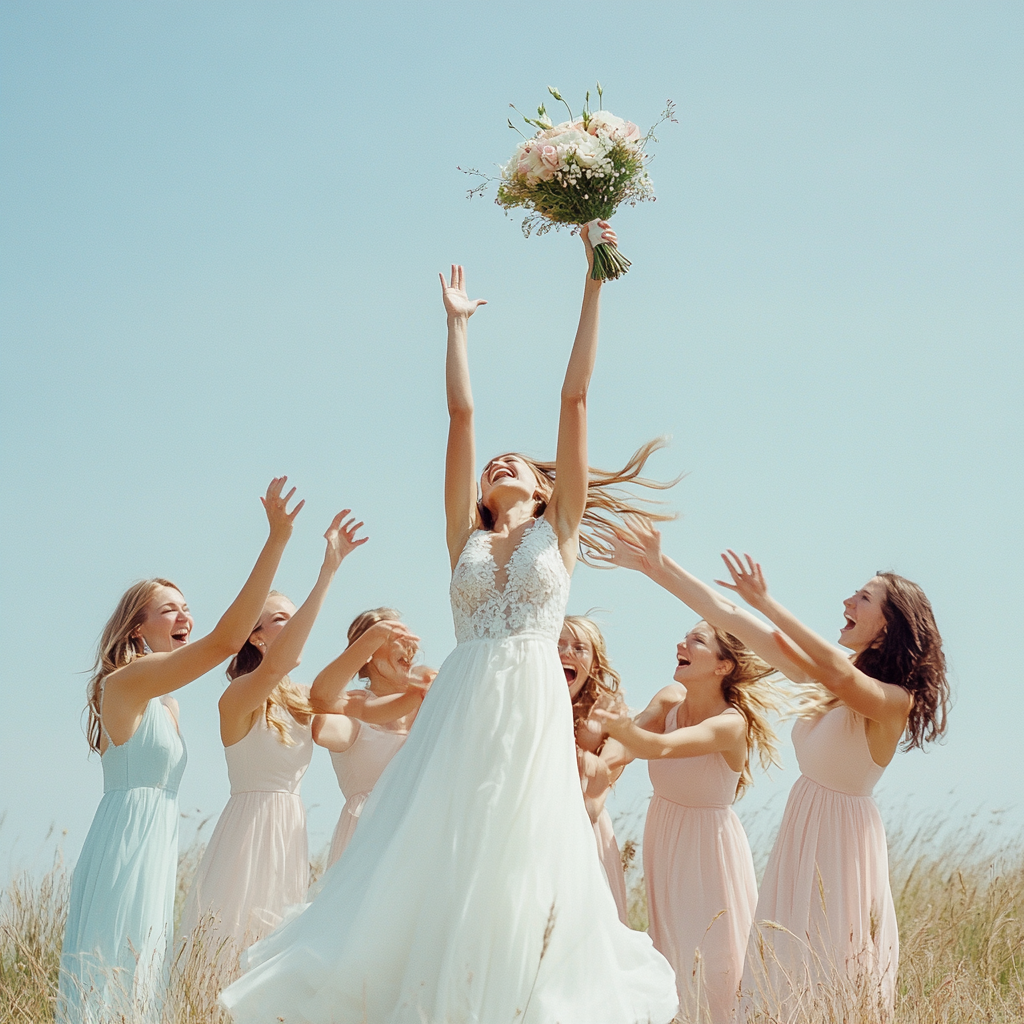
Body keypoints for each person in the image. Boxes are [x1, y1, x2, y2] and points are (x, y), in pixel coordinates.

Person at [220, 230, 679, 1024]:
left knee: (522, 854)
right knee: (442, 855)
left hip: (529, 698)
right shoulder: (461, 537)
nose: (500, 463)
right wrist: (456, 326)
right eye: (491, 464)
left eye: (517, 464)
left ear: (543, 489)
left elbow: (575, 399)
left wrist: (592, 286)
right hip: (466, 699)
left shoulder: (558, 532)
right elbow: (460, 412)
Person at [596, 517, 949, 1019]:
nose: (847, 603)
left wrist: (768, 602)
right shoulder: (827, 681)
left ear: (887, 625)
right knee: (777, 983)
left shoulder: (891, 701)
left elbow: (833, 668)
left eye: (862, 599)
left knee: (830, 981)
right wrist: (657, 566)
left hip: (842, 850)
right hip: (800, 839)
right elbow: (730, 617)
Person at [59, 477, 301, 1023]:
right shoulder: (127, 681)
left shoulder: (165, 700)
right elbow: (223, 642)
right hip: (125, 846)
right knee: (112, 981)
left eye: (186, 607)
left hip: (156, 847)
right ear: (138, 627)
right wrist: (276, 541)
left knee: (143, 984)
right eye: (169, 610)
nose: (183, 617)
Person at [180, 511, 366, 961]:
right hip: (248, 832)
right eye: (283, 618)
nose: (296, 622)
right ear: (257, 639)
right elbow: (283, 663)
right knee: (227, 950)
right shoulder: (236, 699)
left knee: (275, 950)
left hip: (291, 832)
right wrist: (328, 572)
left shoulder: (304, 699)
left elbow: (359, 719)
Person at [593, 619, 780, 1024]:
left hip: (708, 851)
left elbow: (656, 747)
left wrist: (616, 725)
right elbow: (623, 750)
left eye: (697, 640)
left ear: (723, 666)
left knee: (714, 964)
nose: (682, 643)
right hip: (664, 837)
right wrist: (595, 766)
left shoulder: (731, 724)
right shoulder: (670, 699)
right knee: (671, 956)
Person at [310, 608, 432, 867]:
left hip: (424, 837)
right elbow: (320, 715)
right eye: (393, 638)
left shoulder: (431, 707)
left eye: (407, 638)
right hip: (368, 843)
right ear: (366, 655)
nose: (407, 646)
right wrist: (370, 638)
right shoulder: (353, 711)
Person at [559, 615, 630, 924]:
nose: (568, 652)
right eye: (558, 644)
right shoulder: (527, 696)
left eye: (579, 647)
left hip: (587, 814)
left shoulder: (607, 708)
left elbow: (616, 762)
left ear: (594, 662)